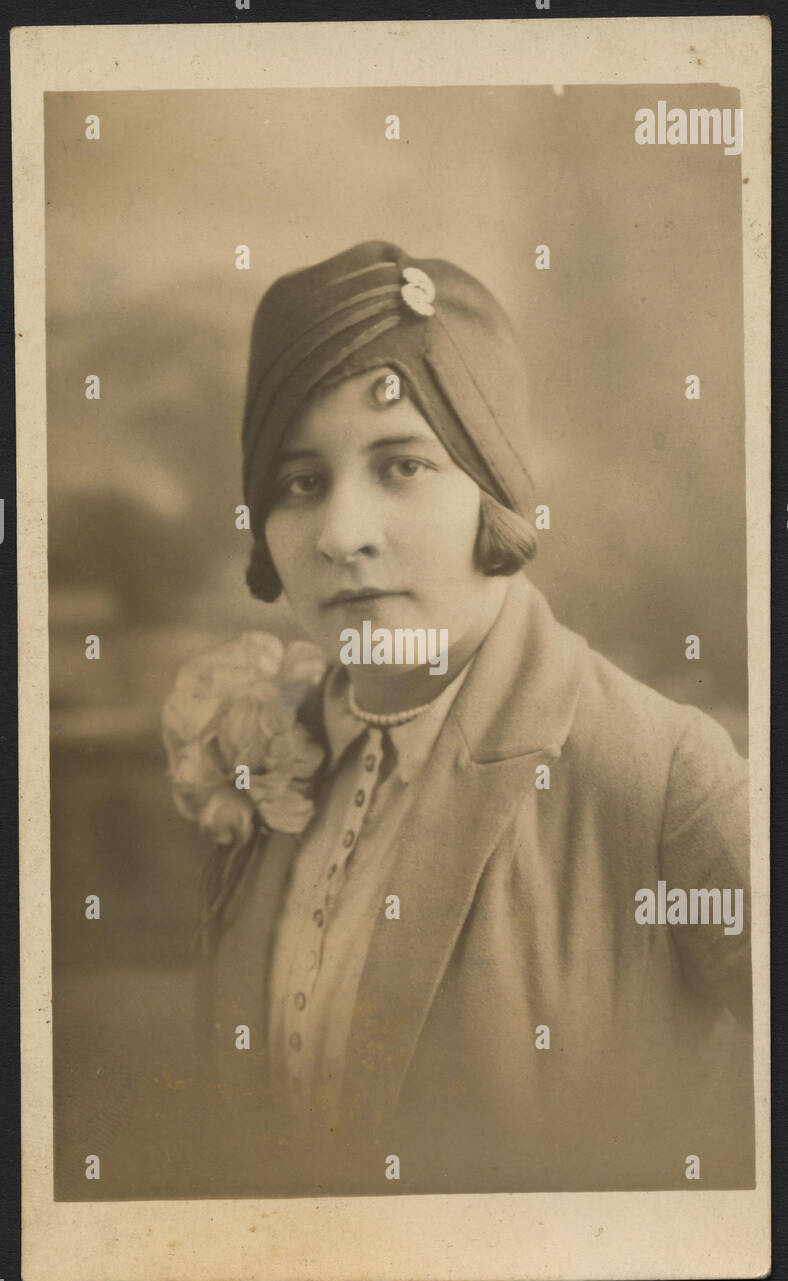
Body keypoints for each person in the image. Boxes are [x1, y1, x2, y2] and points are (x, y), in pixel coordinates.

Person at [180, 240, 753, 1197]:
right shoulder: (265, 750)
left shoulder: (662, 777)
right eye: (301, 481)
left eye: (401, 465)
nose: (339, 534)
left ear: (494, 490)